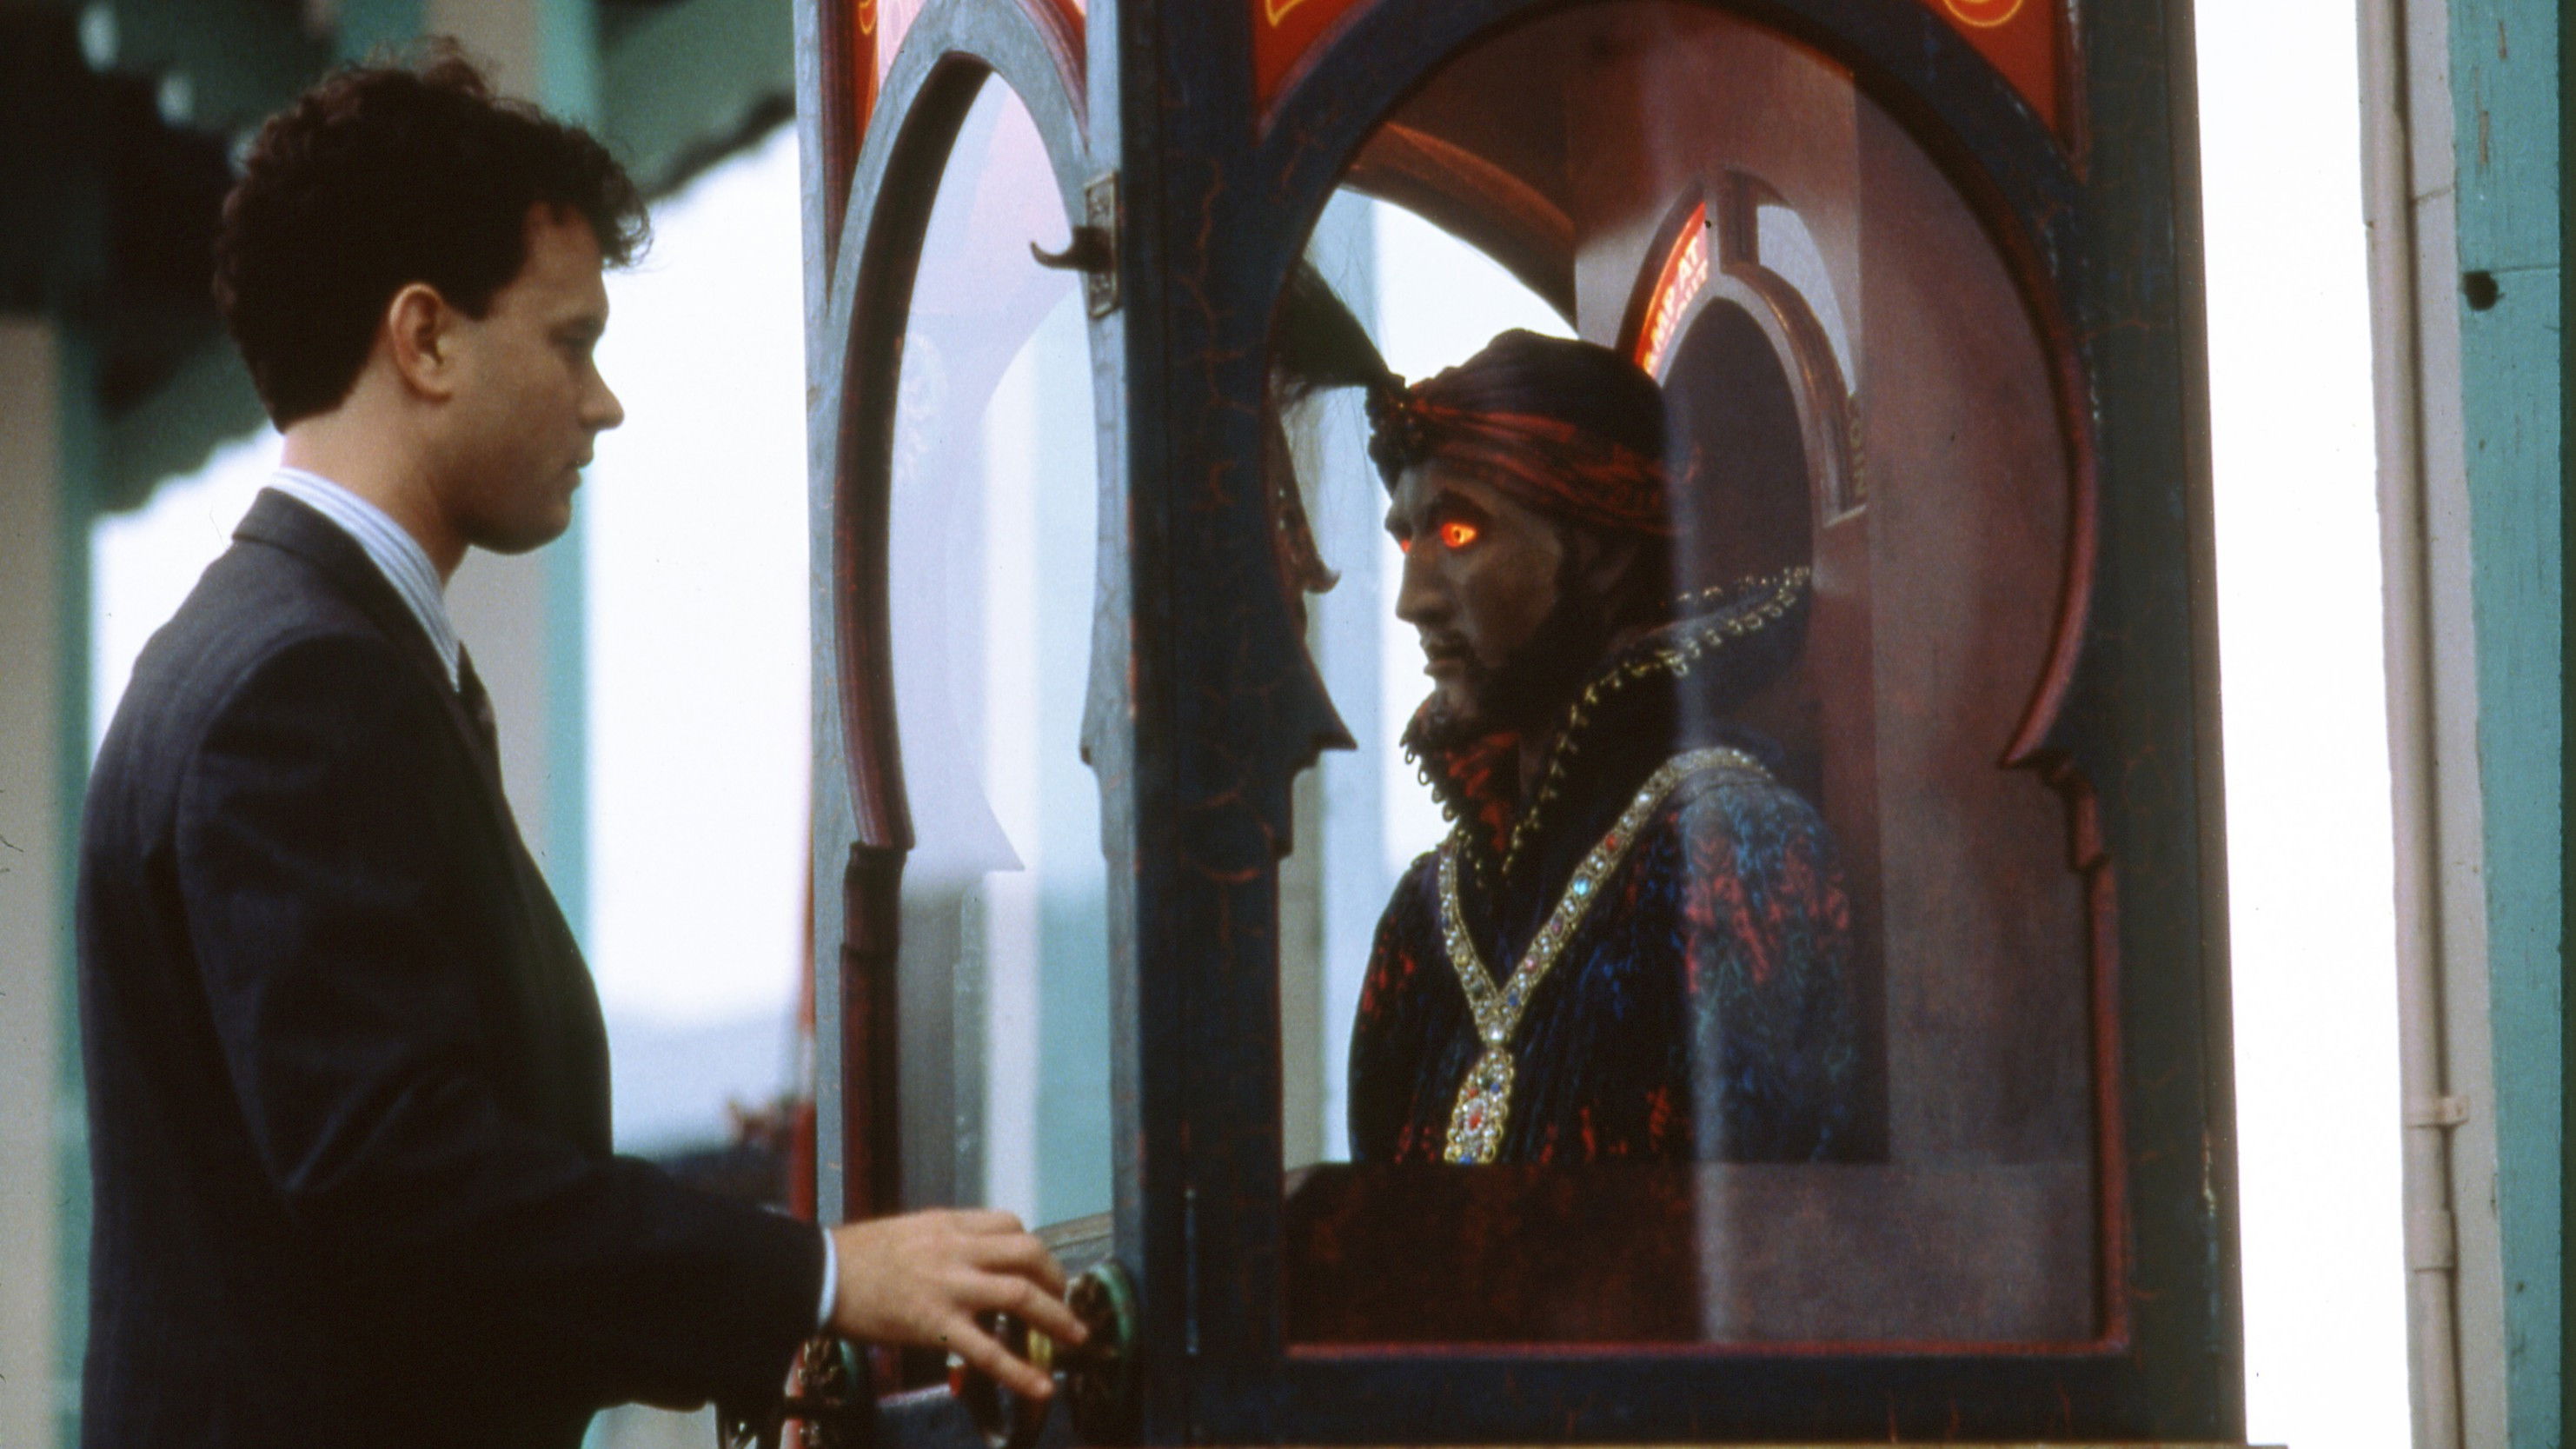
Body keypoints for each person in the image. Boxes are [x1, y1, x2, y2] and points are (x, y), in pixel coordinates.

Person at [75, 49, 1079, 1448]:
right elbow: (403, 1177)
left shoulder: (283, 651)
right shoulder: (303, 681)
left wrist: (767, 1311)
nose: (603, 400)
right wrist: (825, 1277)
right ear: (425, 339)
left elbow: (412, 1227)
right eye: (570, 340)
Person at [1271, 273, 1861, 1166]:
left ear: (1608, 551)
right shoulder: (1424, 920)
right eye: (1407, 539)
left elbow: (1752, 1233)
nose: (1413, 598)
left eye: (1459, 533)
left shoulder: (1734, 851)